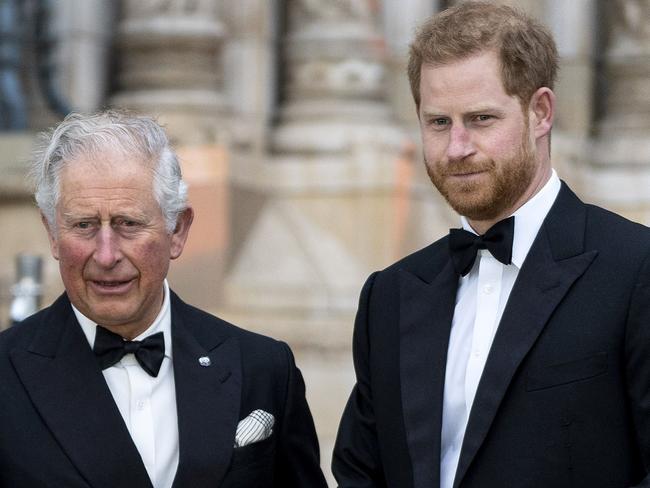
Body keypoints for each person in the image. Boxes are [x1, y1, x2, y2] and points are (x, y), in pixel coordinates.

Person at [332, 2, 650, 487]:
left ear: (540, 112)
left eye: (481, 119)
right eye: (438, 122)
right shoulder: (389, 296)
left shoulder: (636, 270)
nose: (457, 147)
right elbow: (361, 473)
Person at [0, 111, 328, 488]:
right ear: (53, 233)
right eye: (84, 225)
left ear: (177, 230)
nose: (106, 255)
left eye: (129, 224)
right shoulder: (7, 376)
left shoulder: (262, 368)